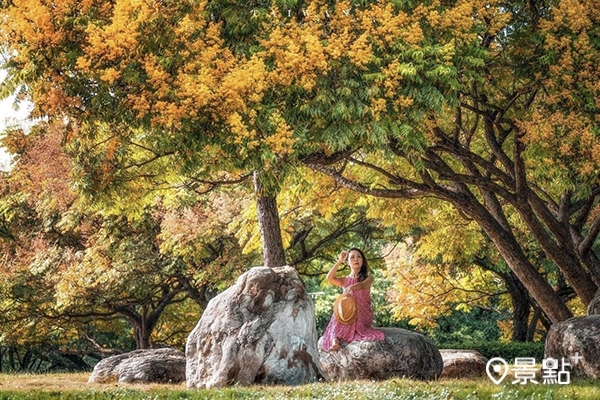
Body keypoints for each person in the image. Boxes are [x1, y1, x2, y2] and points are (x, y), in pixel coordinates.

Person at [319, 248, 385, 351]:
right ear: (348, 262)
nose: (356, 259)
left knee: (348, 317)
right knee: (338, 316)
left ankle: (339, 339)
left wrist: (351, 287)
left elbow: (362, 285)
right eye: (352, 257)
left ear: (362, 261)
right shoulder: (345, 280)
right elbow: (329, 278)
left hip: (362, 313)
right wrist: (340, 260)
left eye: (359, 256)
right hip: (348, 313)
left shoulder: (368, 278)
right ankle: (335, 342)